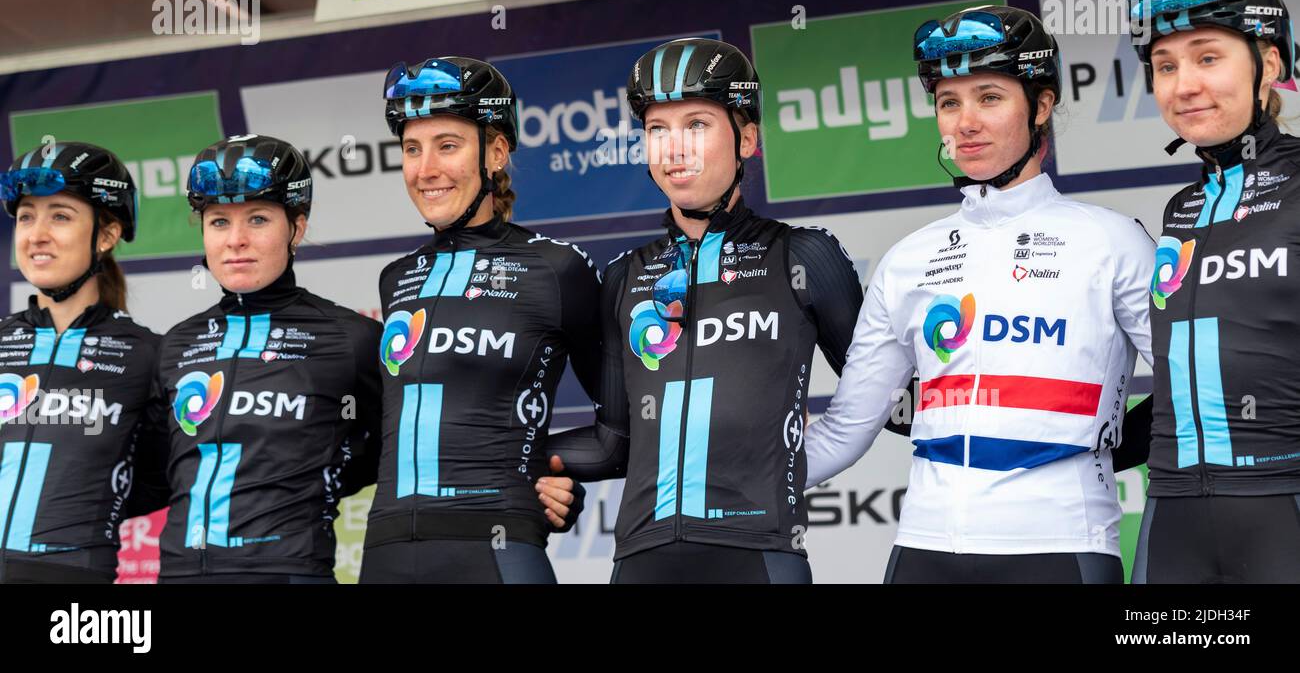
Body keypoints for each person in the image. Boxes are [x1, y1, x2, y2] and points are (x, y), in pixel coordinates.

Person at [802, 5, 1155, 583]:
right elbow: (847, 428)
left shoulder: (1113, 242)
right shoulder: (908, 260)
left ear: (1041, 106)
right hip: (924, 547)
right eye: (949, 102)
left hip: (1062, 545)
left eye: (989, 97)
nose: (964, 122)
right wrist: (724, 486)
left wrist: (1105, 450)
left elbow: (1194, 393)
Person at [541, 37, 868, 584]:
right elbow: (613, 442)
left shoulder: (803, 254)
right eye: (657, 130)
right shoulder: (624, 277)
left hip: (760, 554)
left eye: (696, 125)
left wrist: (785, 468)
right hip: (642, 561)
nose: (675, 149)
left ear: (746, 138)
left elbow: (878, 400)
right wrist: (515, 462)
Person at [358, 56, 599, 584]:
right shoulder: (396, 277)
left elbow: (628, 426)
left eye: (448, 145)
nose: (426, 170)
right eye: (412, 149)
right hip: (386, 553)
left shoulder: (556, 268)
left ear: (496, 152)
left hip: (497, 551)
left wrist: (546, 466)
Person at [1127, 0, 1300, 583]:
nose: (1185, 85)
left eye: (1207, 58)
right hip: (1172, 511)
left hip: (1283, 507)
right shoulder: (1183, 208)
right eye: (1167, 66)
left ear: (1270, 65)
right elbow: (1186, 378)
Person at [155, 134, 382, 583]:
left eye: (257, 219)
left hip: (288, 571)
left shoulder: (350, 338)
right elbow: (157, 466)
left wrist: (319, 480)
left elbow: (401, 444)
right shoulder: (177, 344)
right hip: (180, 576)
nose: (236, 240)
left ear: (296, 227)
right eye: (219, 222)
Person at [0, 141, 167, 583]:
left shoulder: (149, 355)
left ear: (108, 234)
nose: (36, 235)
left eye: (60, 215)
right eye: (26, 217)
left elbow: (162, 474)